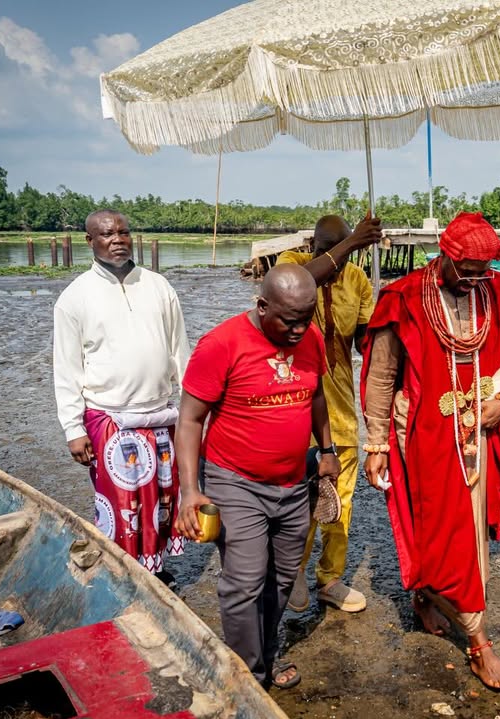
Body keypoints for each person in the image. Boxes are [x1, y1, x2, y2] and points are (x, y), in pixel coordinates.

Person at [360, 212, 500, 690]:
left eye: (484, 270)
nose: (476, 279)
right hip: (423, 433)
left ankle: (431, 596)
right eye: (467, 269)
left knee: (466, 531)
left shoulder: (494, 291)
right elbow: (380, 378)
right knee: (437, 525)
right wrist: (376, 444)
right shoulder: (405, 297)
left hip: (482, 429)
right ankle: (480, 644)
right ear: (446, 256)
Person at [174, 264, 340, 691]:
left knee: (283, 577)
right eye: (288, 319)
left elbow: (316, 395)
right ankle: (249, 677)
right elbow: (190, 421)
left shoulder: (311, 339)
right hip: (235, 481)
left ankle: (264, 651)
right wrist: (190, 490)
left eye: (307, 317)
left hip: (291, 484)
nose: (299, 329)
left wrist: (327, 450)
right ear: (262, 304)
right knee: (244, 583)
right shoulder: (222, 344)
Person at [53, 209, 189, 580]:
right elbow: (66, 369)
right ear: (90, 241)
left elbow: (180, 351)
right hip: (109, 417)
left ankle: (155, 569)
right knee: (122, 506)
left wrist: (194, 409)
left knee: (162, 496)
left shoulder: (159, 286)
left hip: (161, 413)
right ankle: (124, 573)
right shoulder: (74, 297)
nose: (118, 240)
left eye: (124, 233)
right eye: (107, 234)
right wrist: (73, 428)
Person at [277, 213, 382, 614]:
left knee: (341, 503)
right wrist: (351, 244)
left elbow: (362, 346)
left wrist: (384, 328)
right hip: (294, 409)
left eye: (336, 249)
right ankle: (292, 574)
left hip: (340, 411)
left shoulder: (357, 279)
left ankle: (330, 578)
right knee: (298, 501)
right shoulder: (294, 265)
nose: (331, 259)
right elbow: (305, 284)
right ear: (313, 246)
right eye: (324, 250)